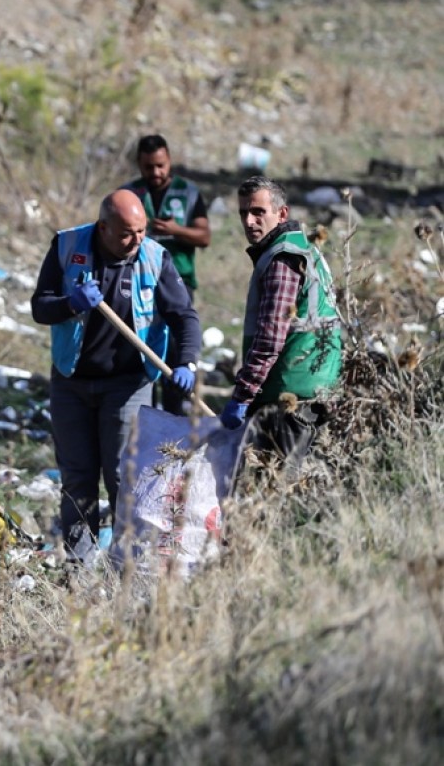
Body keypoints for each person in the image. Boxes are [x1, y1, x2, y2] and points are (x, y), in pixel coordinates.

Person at [30, 190, 201, 556]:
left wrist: (186, 361)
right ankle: (80, 568)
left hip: (128, 383)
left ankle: (127, 566)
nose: (136, 240)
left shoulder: (155, 258)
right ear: (103, 227)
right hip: (71, 381)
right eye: (126, 233)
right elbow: (40, 307)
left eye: (140, 231)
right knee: (77, 478)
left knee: (124, 478)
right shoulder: (66, 247)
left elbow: (183, 316)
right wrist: (70, 303)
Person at [222, 176, 341, 471]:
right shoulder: (305, 249)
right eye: (243, 213)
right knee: (303, 484)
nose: (249, 221)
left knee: (278, 489)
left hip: (289, 394)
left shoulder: (282, 259)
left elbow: (270, 338)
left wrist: (243, 395)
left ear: (282, 214)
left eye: (258, 212)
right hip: (316, 387)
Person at [122, 134, 211, 415]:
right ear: (139, 164)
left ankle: (173, 420)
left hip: (178, 282)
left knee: (175, 351)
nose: (156, 173)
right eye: (149, 167)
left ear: (169, 160)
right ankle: (142, 415)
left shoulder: (188, 192)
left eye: (160, 165)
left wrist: (176, 231)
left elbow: (204, 235)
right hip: (138, 281)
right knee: (142, 349)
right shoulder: (129, 194)